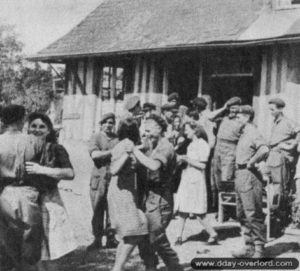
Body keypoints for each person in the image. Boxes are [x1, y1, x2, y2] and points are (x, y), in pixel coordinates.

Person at [25, 112, 77, 270]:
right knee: (35, 248)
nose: (37, 129)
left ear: (49, 131)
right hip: (28, 201)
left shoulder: (56, 148)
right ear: (27, 128)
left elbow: (70, 173)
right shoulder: (23, 148)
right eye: (33, 126)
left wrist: (42, 169)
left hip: (50, 201)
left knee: (53, 247)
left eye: (42, 126)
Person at [133, 114, 183, 271]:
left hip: (161, 198)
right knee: (143, 236)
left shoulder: (165, 146)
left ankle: (175, 267)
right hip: (149, 196)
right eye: (144, 130)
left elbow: (154, 166)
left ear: (159, 129)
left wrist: (134, 150)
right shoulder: (152, 145)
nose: (146, 133)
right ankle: (150, 266)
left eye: (149, 130)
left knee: (157, 238)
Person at [0, 105, 44, 270]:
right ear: (21, 119)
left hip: (4, 194)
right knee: (30, 247)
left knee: (6, 245)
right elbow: (43, 171)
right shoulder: (34, 141)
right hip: (28, 193)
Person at [107, 117, 148, 271]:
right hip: (121, 193)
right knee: (136, 231)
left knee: (130, 233)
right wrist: (127, 154)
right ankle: (117, 268)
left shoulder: (127, 144)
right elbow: (113, 169)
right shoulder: (123, 146)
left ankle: (117, 267)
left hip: (127, 192)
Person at [231, 105, 269, 258]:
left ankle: (259, 248)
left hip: (249, 174)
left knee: (252, 212)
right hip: (240, 174)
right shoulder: (244, 133)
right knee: (241, 213)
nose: (236, 119)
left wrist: (252, 162)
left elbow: (264, 149)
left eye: (239, 117)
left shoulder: (253, 132)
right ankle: (248, 246)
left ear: (247, 117)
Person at [174, 121, 218, 246]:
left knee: (198, 212)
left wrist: (187, 160)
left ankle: (213, 234)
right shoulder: (191, 144)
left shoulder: (203, 145)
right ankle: (178, 236)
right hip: (187, 178)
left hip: (196, 180)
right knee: (182, 209)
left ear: (195, 131)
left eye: (187, 129)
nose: (185, 132)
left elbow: (203, 165)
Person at [265, 97, 300, 235]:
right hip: (272, 157)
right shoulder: (275, 122)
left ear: (280, 109)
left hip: (280, 158)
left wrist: (290, 146)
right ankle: (272, 219)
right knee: (271, 189)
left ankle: (279, 222)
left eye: (273, 110)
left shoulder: (288, 123)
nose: (271, 112)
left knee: (280, 190)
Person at [87, 113, 119, 250]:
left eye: (111, 122)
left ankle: (111, 238)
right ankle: (97, 239)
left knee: (112, 209)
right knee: (98, 209)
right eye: (105, 122)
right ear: (101, 124)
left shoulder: (117, 139)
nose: (108, 125)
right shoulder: (96, 137)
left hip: (113, 178)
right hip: (98, 178)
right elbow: (95, 155)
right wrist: (113, 152)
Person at [210, 97, 243, 215]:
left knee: (227, 180)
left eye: (235, 108)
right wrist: (224, 107)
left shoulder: (241, 121)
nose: (233, 111)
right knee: (216, 180)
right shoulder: (223, 118)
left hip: (230, 150)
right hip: (218, 149)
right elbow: (210, 117)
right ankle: (220, 209)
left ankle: (229, 211)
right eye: (231, 108)